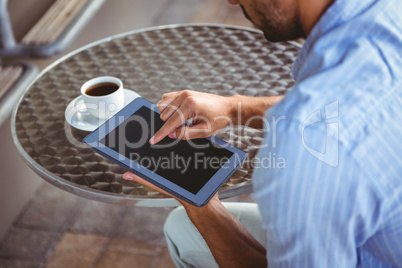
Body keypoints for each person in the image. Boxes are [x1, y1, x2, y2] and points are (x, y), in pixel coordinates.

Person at [123, 0, 402, 266]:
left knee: (180, 229)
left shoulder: (304, 154)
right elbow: (346, 105)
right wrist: (234, 110)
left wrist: (199, 203)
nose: (231, 2)